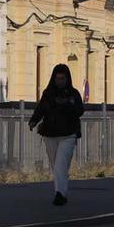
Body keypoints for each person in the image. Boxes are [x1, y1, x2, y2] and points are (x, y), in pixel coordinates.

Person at [29, 63, 84, 206]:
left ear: (67, 79)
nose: (60, 81)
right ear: (54, 79)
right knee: (56, 166)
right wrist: (34, 121)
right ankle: (61, 190)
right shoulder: (48, 94)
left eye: (62, 79)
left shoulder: (74, 94)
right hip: (50, 134)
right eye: (58, 79)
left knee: (60, 164)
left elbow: (79, 110)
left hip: (68, 135)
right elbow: (41, 108)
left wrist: (66, 104)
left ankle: (60, 194)